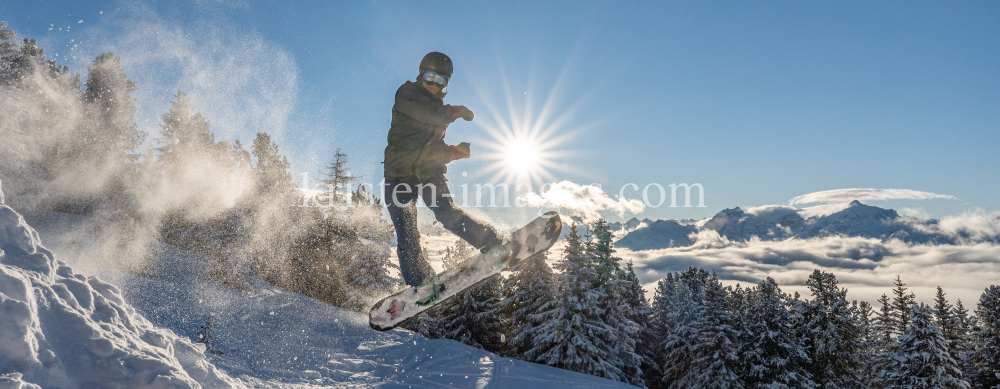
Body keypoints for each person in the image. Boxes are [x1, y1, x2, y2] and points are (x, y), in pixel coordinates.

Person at [383, 52, 500, 287]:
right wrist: (456, 111)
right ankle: (419, 283)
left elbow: (432, 150)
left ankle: (491, 242)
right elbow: (428, 114)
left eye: (441, 80)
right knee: (407, 236)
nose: (434, 84)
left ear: (447, 83)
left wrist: (456, 152)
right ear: (421, 74)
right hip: (398, 177)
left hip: (428, 174)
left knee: (448, 214)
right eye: (430, 76)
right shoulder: (407, 95)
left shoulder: (440, 113)